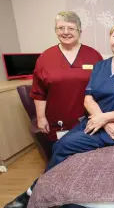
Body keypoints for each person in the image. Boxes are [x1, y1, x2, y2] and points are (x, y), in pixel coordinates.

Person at [4, 22, 114, 208]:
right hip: (97, 121)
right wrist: (102, 120)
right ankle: (44, 190)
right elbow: (88, 99)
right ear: (110, 39)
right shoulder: (99, 66)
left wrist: (105, 119)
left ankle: (33, 192)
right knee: (58, 145)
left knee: (65, 145)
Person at [29, 11, 103, 161]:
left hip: (88, 118)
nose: (66, 32)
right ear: (55, 31)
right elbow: (39, 92)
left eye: (71, 28)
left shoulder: (94, 56)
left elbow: (102, 88)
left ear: (80, 32)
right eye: (61, 28)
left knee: (87, 157)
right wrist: (41, 117)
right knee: (60, 154)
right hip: (57, 119)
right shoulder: (45, 58)